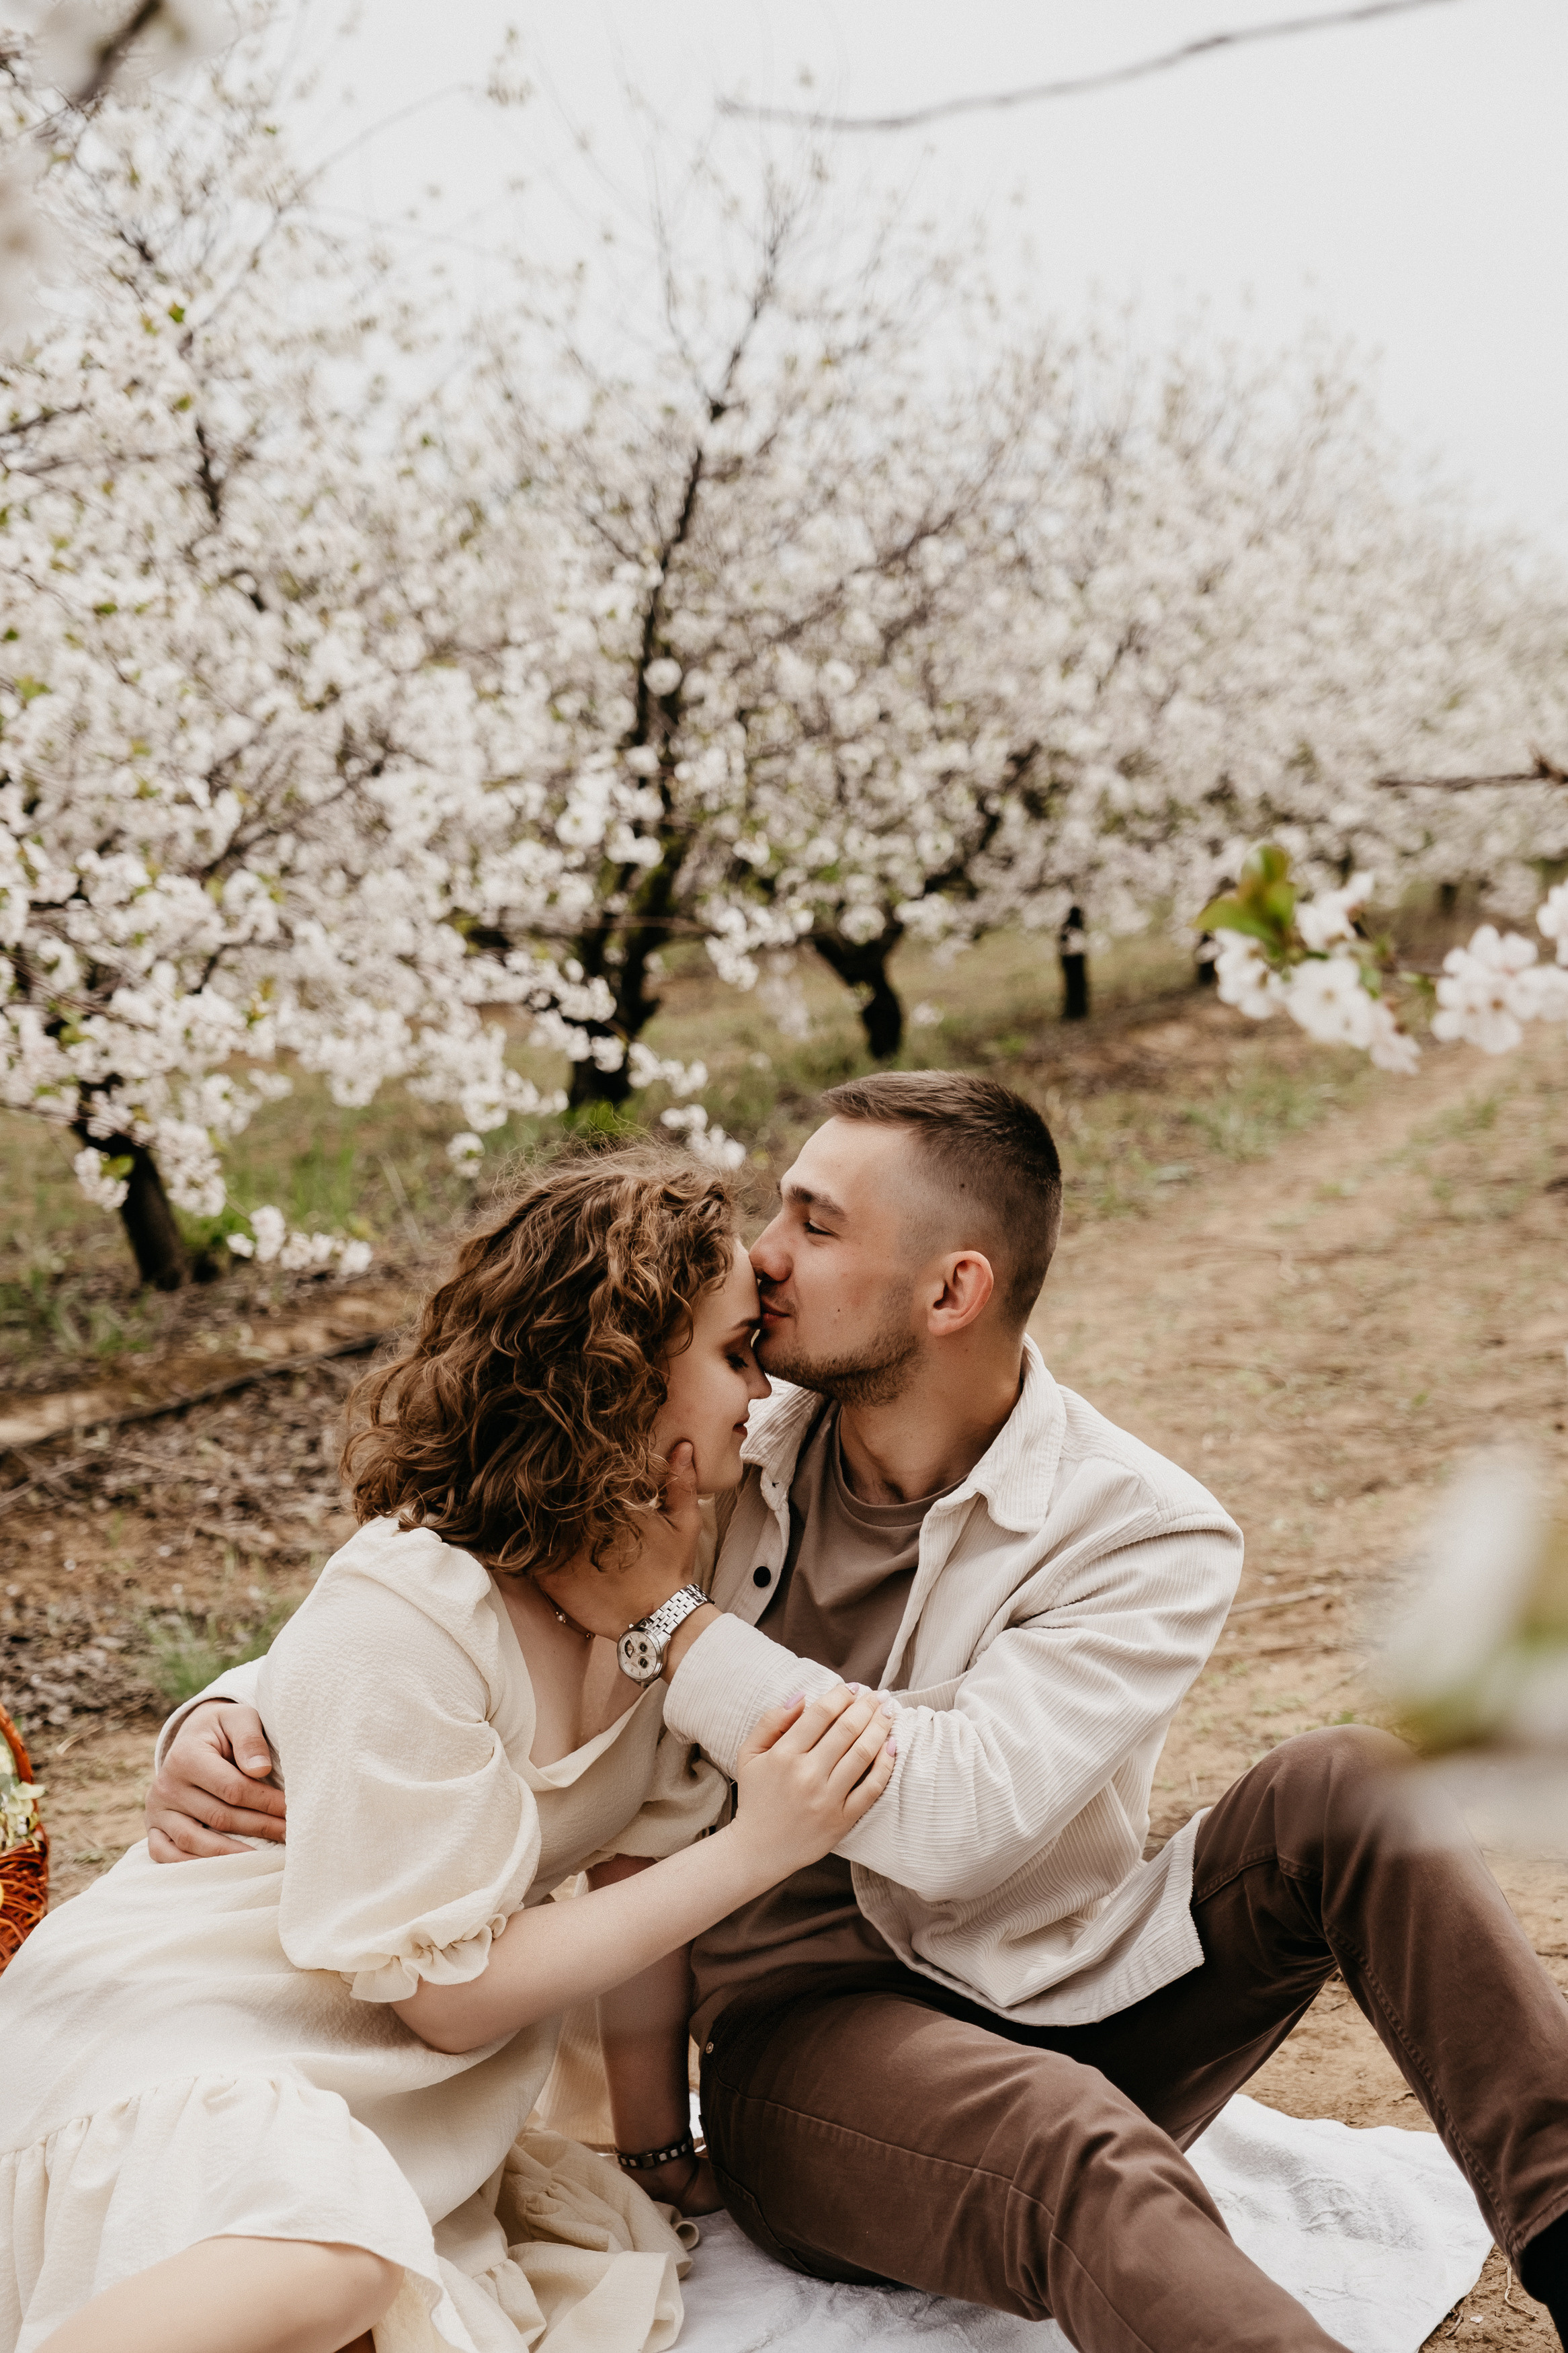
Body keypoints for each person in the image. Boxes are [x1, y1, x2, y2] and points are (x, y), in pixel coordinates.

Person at [153, 1072, 1568, 2353]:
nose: (764, 1252)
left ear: (951, 1291)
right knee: (1071, 2146)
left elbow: (950, 1824)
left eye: (815, 1224)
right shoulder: (720, 1437)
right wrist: (223, 1712)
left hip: (1068, 1990)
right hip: (812, 2044)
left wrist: (671, 1623)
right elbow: (456, 1563)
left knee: (1357, 1783)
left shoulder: (1140, 1530)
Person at [0, 1147, 897, 2353]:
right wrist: (760, 1846)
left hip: (371, 2081)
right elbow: (450, 2002)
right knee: (332, 2273)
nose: (763, 1393)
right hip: (182, 2035)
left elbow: (634, 1884)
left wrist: (655, 2149)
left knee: (378, 2297)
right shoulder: (410, 1604)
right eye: (736, 1356)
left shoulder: (677, 1581)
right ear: (621, 1377)